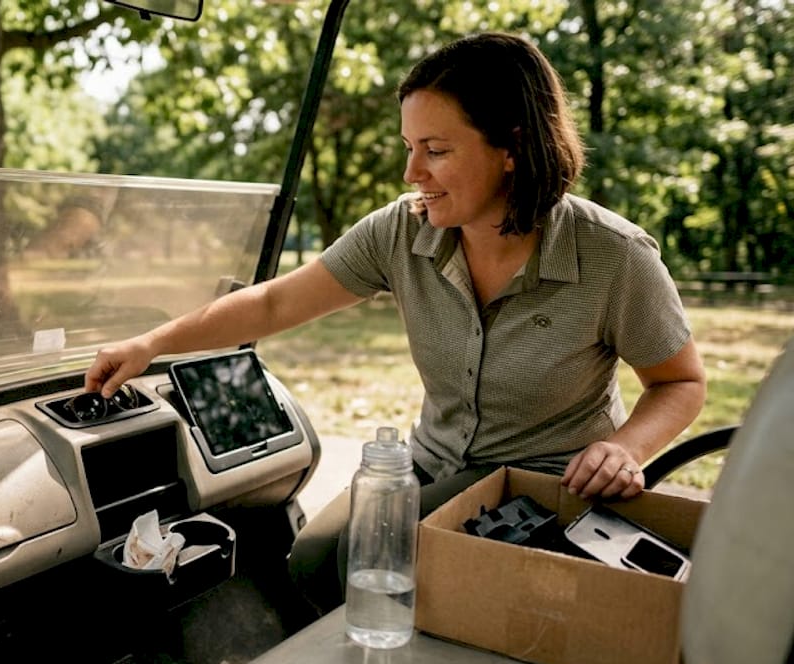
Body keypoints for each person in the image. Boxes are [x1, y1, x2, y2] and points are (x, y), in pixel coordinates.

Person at [82, 32, 707, 611]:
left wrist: (624, 449)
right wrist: (152, 343)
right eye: (410, 148)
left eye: (436, 151)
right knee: (309, 563)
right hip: (430, 461)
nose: (412, 173)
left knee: (366, 566)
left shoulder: (614, 256)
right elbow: (274, 304)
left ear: (513, 148)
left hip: (543, 484)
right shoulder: (401, 231)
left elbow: (680, 383)